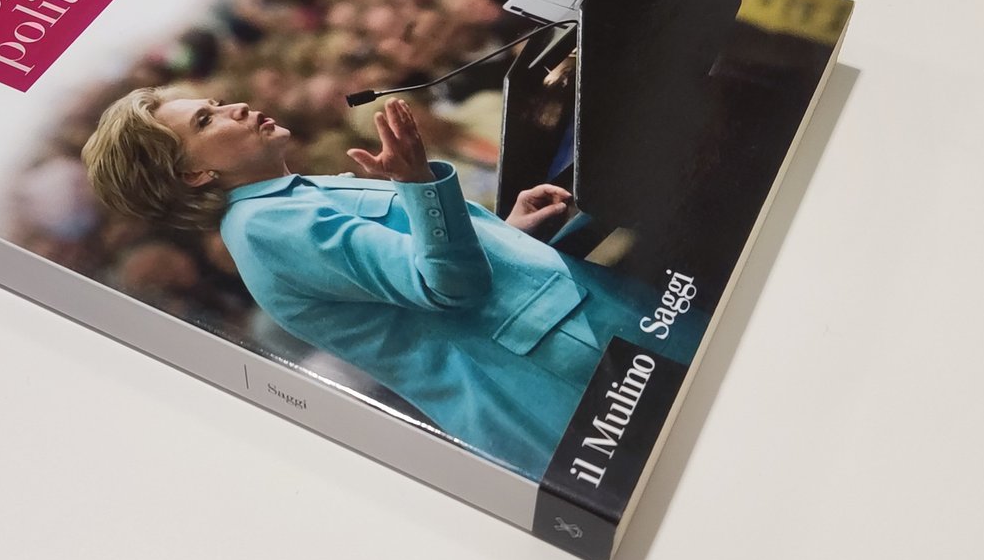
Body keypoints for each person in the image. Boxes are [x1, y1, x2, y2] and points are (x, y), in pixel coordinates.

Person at [80, 89, 706, 478]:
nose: (234, 107)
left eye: (214, 102)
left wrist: (507, 233)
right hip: (572, 370)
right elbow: (447, 288)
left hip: (572, 345)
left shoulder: (285, 200)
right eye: (207, 119)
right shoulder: (267, 226)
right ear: (194, 174)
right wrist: (415, 181)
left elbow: (419, 286)